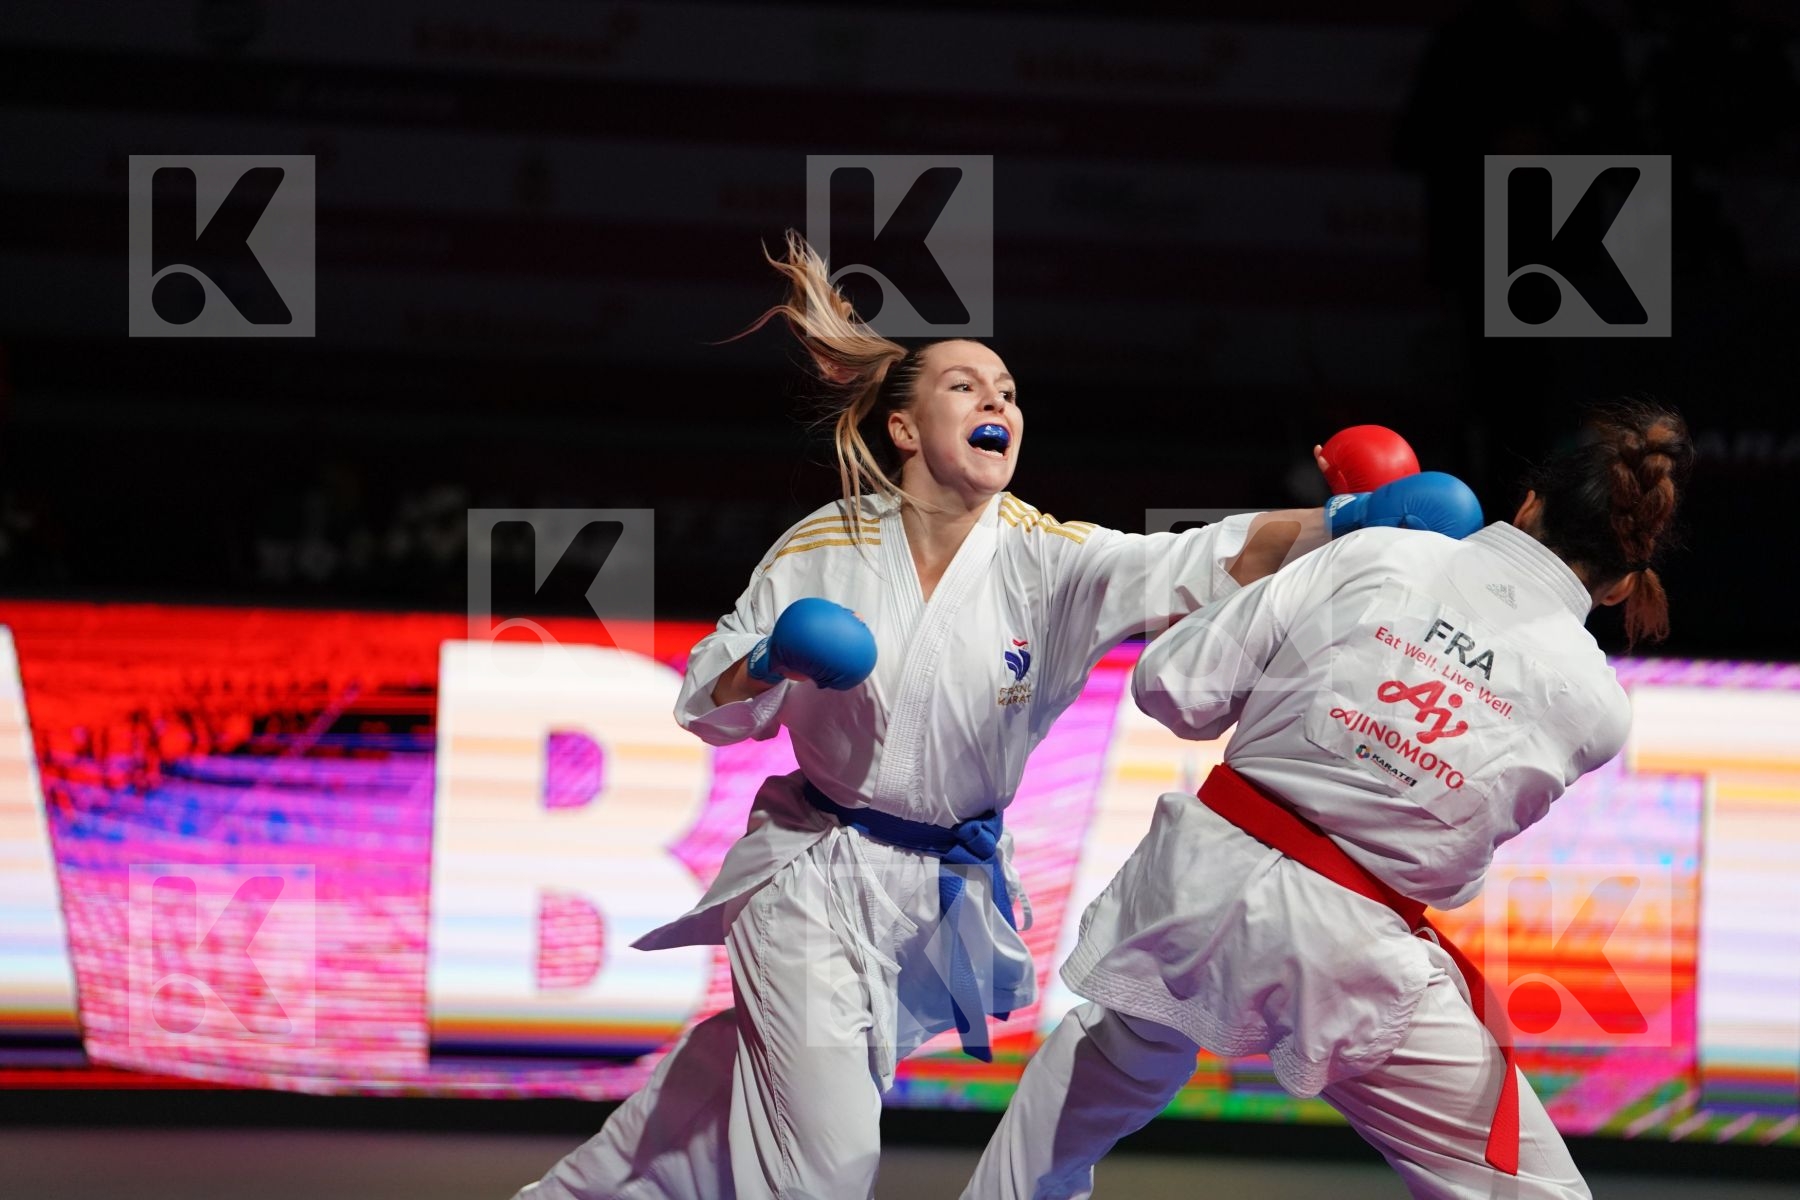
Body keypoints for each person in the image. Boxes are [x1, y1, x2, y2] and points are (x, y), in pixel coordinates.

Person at [514, 231, 1482, 1200]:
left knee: (720, 1113)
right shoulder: (821, 548)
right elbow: (704, 704)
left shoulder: (1045, 561)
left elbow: (1197, 557)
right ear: (903, 429)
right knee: (822, 1169)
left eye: (1010, 393)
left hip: (937, 898)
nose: (999, 404)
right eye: (968, 388)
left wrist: (1348, 523)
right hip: (812, 877)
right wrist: (767, 661)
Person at [963, 400, 1693, 1199]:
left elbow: (1170, 687)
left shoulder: (1380, 554)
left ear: (1527, 504)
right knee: (1528, 1188)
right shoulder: (1595, 705)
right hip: (1348, 948)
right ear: (1624, 584)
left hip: (1194, 890)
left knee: (1106, 1065)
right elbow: (1450, 873)